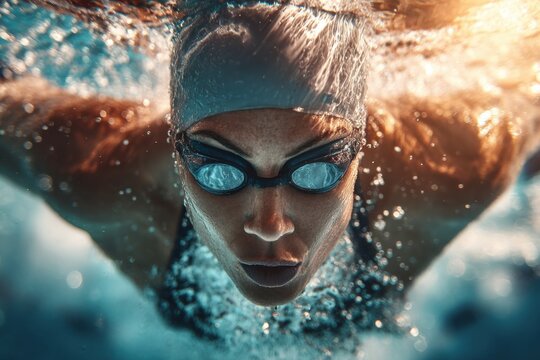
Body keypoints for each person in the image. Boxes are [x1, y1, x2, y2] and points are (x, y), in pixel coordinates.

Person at [1, 0, 539, 338]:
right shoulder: (103, 178)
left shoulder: (457, 168)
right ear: (176, 153)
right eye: (219, 170)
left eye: (316, 169)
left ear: (361, 149)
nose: (268, 223)